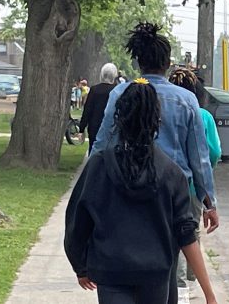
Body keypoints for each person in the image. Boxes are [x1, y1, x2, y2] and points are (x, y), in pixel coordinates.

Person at [64, 79, 219, 304]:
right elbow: (186, 234)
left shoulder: (99, 166)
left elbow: (77, 219)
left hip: (112, 272)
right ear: (157, 121)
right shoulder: (171, 173)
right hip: (157, 274)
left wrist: (80, 265)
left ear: (119, 118)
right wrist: (209, 294)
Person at [93, 22, 219, 239]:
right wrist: (208, 201)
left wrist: (93, 183)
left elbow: (103, 144)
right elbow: (200, 158)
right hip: (174, 193)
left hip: (127, 187)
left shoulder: (120, 94)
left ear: (138, 62)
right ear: (168, 63)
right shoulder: (186, 100)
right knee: (172, 257)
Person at [167, 67, 222, 296]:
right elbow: (214, 152)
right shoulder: (204, 116)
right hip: (193, 186)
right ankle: (191, 274)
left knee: (174, 231)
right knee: (191, 229)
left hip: (168, 182)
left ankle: (178, 279)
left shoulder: (164, 109)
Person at [79, 64, 119, 152]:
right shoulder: (117, 91)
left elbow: (87, 110)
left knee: (93, 150)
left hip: (95, 126)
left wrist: (82, 128)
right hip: (111, 127)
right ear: (114, 76)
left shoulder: (94, 90)